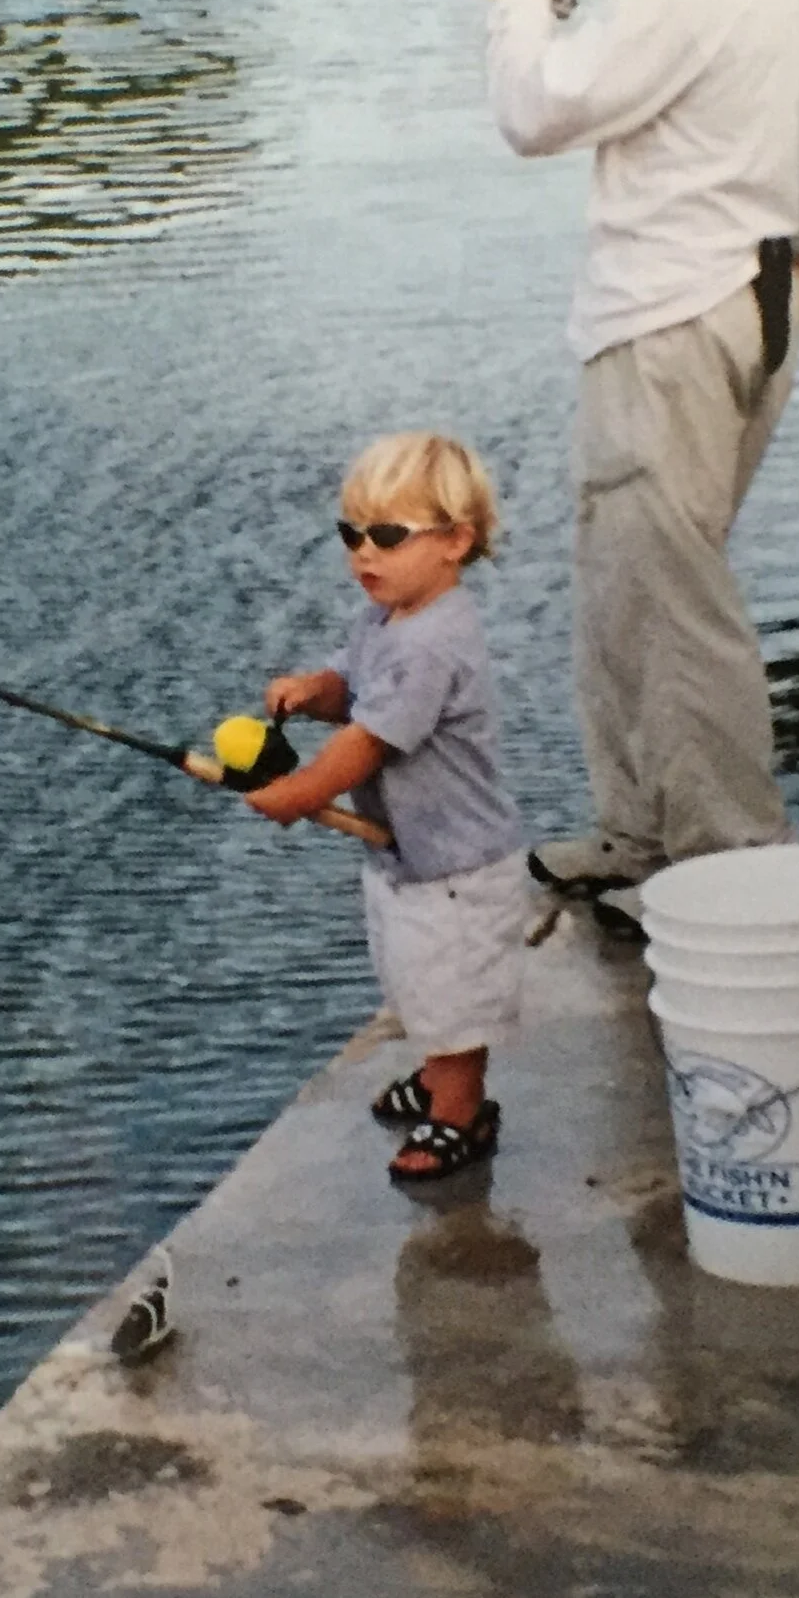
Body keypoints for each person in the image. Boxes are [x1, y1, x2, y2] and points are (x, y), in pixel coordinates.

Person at [473, 0, 799, 915]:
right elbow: (706, 67)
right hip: (748, 295)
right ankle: (641, 836)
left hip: (668, 318)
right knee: (627, 585)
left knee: (672, 604)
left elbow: (538, 112)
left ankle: (735, 869)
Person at [247, 431, 531, 1187]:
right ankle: (440, 1080)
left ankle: (462, 1109)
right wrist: (315, 690)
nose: (363, 553)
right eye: (352, 534)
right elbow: (355, 689)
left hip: (458, 866)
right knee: (413, 976)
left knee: (452, 992)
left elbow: (370, 741)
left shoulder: (433, 642)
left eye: (387, 535)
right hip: (410, 852)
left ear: (455, 542)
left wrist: (300, 794)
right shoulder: (385, 618)